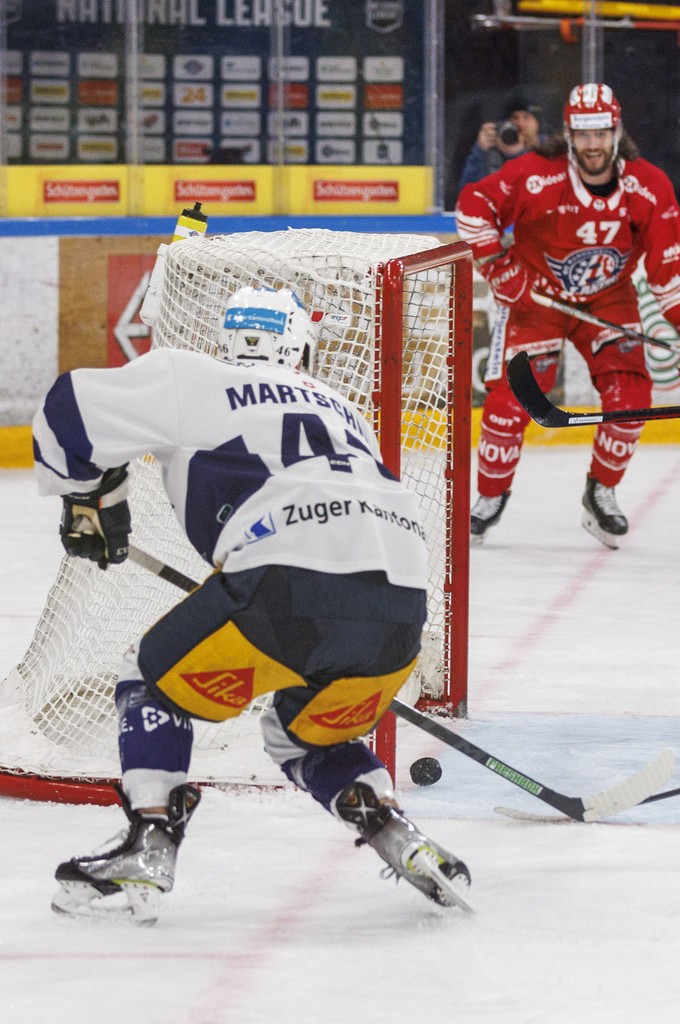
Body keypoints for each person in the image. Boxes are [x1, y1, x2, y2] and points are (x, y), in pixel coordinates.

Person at [35, 286, 472, 924]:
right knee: (301, 731)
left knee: (149, 680)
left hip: (283, 586)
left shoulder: (195, 376)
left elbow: (65, 411)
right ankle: (394, 828)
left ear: (229, 338)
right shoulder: (344, 407)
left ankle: (149, 838)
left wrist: (90, 499)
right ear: (301, 347)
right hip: (402, 611)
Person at [455, 82, 680, 549]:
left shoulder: (649, 186)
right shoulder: (536, 174)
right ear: (569, 134)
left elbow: (672, 267)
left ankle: (601, 490)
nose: (593, 145)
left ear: (617, 131)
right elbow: (473, 207)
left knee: (632, 396)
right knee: (507, 404)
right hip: (535, 301)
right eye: (584, 134)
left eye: (602, 133)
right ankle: (489, 496)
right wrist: (500, 270)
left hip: (608, 303)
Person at [457, 94, 542, 192]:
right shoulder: (493, 154)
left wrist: (516, 155)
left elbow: (535, 189)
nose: (520, 123)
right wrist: (480, 151)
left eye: (526, 117)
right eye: (515, 117)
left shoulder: (548, 150)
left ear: (537, 122)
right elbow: (468, 193)